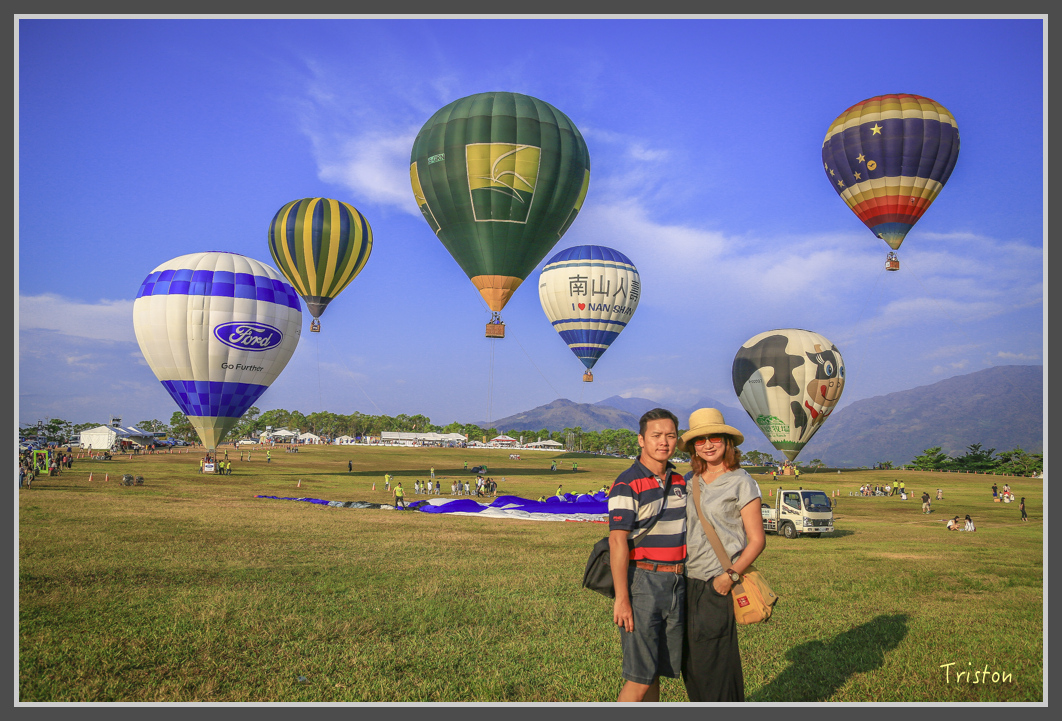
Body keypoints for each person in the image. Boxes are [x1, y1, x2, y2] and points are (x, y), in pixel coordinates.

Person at [678, 408, 764, 702]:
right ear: (693, 447)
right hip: (685, 582)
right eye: (700, 440)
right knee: (690, 664)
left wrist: (729, 577)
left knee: (715, 663)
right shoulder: (690, 480)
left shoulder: (742, 482)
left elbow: (757, 540)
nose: (707, 445)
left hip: (716, 583)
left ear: (727, 442)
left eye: (714, 437)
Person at [607, 408, 686, 703]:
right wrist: (622, 598)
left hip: (676, 581)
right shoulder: (627, 483)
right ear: (641, 440)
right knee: (639, 678)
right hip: (643, 581)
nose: (663, 442)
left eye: (670, 435)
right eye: (656, 435)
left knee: (654, 673)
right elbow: (618, 542)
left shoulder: (679, 482)